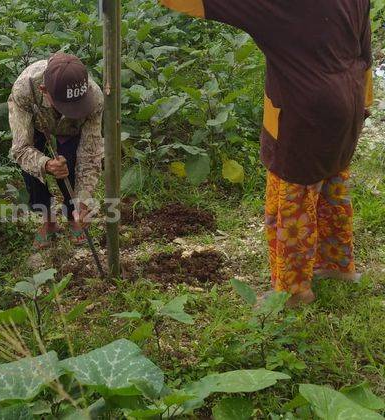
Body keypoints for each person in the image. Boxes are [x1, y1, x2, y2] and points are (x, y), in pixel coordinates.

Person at [159, 0, 374, 306]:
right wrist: (363, 102)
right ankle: (337, 265)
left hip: (304, 111)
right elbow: (365, 48)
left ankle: (294, 290)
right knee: (332, 182)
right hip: (347, 100)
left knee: (292, 197)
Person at [8, 52, 104, 249]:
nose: (72, 111)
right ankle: (49, 220)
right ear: (44, 90)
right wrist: (46, 164)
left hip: (70, 128)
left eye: (77, 106)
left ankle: (72, 215)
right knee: (32, 170)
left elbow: (91, 154)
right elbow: (20, 149)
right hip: (36, 121)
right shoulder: (25, 89)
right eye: (66, 106)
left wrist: (84, 201)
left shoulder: (94, 98)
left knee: (71, 163)